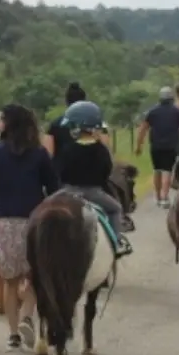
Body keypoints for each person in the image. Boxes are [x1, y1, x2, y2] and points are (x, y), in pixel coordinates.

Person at [0, 104, 60, 352]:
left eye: (0, 119)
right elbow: (53, 186)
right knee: (33, 277)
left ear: (8, 124)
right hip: (32, 219)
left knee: (10, 280)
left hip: (0, 221)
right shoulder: (39, 153)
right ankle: (27, 316)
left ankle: (13, 334)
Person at [56, 101, 133, 257]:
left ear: (77, 127)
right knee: (115, 209)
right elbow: (106, 172)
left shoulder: (67, 149)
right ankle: (116, 242)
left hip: (67, 192)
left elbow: (60, 172)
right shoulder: (101, 150)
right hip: (93, 193)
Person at [135, 86, 179, 208]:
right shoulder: (177, 112)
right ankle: (165, 197)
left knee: (157, 170)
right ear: (171, 98)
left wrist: (139, 146)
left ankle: (158, 196)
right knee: (167, 171)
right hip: (171, 145)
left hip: (155, 146)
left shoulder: (152, 112)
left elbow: (143, 129)